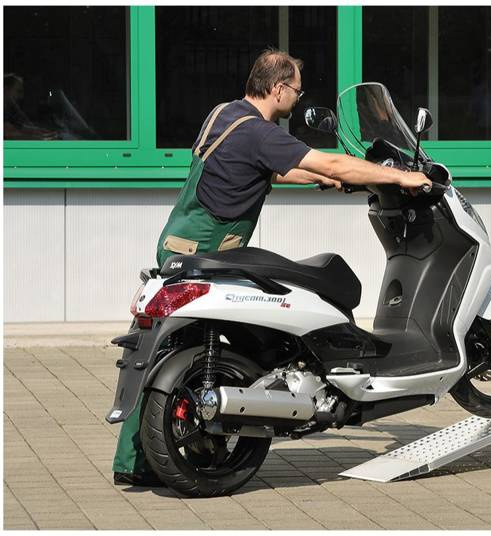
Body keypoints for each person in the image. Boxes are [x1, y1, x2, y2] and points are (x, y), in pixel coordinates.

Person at [112, 48, 431, 487]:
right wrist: (399, 177)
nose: (298, 99)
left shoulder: (224, 115)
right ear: (278, 88)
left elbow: (262, 168)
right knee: (202, 339)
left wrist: (319, 178)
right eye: (297, 90)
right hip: (211, 247)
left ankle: (134, 462)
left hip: (176, 243)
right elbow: (330, 159)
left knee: (157, 352)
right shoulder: (261, 133)